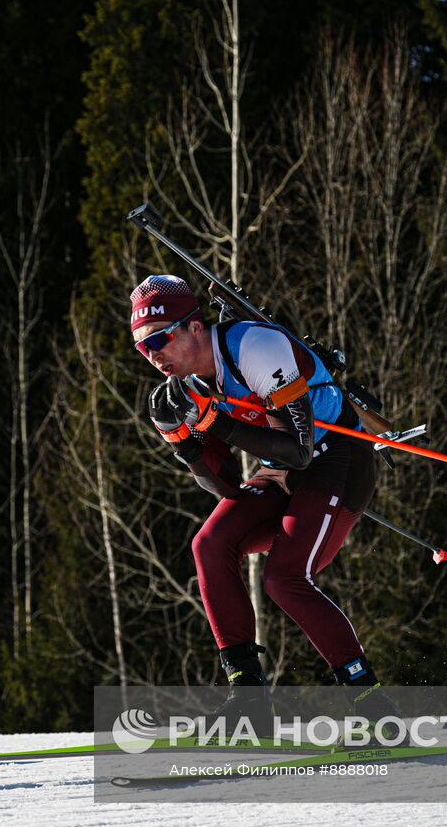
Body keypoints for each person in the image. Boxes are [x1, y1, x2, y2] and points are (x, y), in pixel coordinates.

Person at [131, 273, 396, 732]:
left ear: (196, 327)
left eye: (160, 339)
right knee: (210, 545)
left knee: (284, 577)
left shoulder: (254, 346)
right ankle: (249, 701)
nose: (153, 355)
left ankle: (374, 709)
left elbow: (300, 448)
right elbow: (228, 487)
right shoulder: (191, 383)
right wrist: (184, 443)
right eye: (142, 347)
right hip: (281, 470)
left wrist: (214, 422)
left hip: (335, 459)